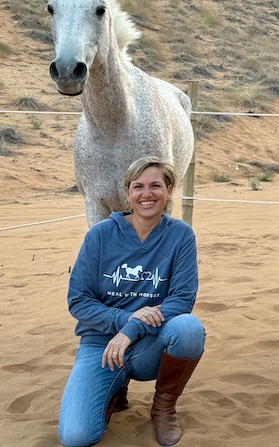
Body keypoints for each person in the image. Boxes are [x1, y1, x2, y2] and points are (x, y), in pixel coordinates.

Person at [58, 157, 205, 447]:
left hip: (149, 343)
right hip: (102, 344)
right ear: (127, 192)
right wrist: (125, 320)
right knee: (77, 437)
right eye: (138, 186)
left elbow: (182, 298)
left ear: (169, 190)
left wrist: (133, 329)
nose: (146, 194)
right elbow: (79, 301)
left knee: (188, 329)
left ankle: (163, 408)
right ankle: (113, 388)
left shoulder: (180, 235)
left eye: (155, 186)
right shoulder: (100, 235)